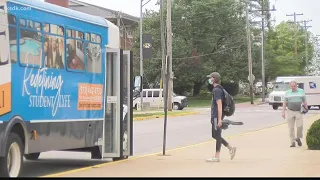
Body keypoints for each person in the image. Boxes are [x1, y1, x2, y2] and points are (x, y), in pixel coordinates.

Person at [206, 72, 237, 162]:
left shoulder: (217, 90)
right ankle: (231, 148)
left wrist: (219, 119)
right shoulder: (218, 89)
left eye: (210, 78)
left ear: (214, 79)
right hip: (215, 116)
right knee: (214, 135)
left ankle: (217, 156)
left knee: (217, 135)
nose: (209, 79)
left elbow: (219, 105)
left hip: (217, 116)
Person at [282, 81, 308, 147]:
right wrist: (283, 112)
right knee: (291, 127)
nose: (293, 87)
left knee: (300, 126)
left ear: (296, 85)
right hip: (290, 111)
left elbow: (304, 100)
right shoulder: (287, 93)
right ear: (290, 86)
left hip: (298, 111)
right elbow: (284, 103)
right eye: (292, 86)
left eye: (294, 86)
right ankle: (292, 142)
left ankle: (298, 138)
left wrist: (306, 108)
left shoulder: (301, 91)